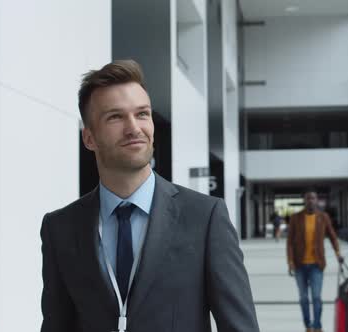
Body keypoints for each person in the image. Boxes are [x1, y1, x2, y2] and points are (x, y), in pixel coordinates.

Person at [40, 60, 259, 332]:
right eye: (115, 117)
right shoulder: (59, 227)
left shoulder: (205, 217)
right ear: (89, 139)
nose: (134, 128)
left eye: (142, 114)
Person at [287, 190, 343, 332]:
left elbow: (332, 236)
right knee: (304, 298)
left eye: (313, 198)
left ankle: (317, 326)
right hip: (299, 265)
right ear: (305, 201)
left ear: (317, 200)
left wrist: (338, 253)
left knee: (316, 297)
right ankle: (308, 326)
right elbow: (290, 243)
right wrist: (290, 262)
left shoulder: (323, 217)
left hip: (317, 265)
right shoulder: (295, 218)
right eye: (308, 198)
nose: (311, 200)